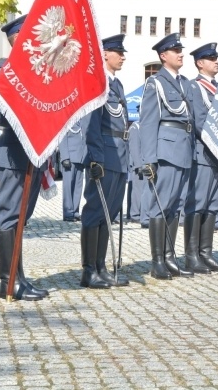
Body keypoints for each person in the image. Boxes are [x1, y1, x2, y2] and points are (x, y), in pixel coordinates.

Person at [0, 15, 48, 302]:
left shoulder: (39, 72)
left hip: (34, 155)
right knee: (9, 217)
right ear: (17, 40)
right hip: (14, 154)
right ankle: (8, 282)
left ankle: (19, 277)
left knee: (22, 218)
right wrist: (22, 116)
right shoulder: (6, 70)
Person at [139, 33, 195, 280]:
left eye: (181, 50)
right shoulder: (156, 83)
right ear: (164, 56)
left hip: (183, 149)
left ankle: (170, 257)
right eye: (176, 51)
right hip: (166, 150)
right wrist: (148, 159)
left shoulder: (184, 83)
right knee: (160, 205)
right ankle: (157, 261)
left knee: (175, 205)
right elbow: (148, 122)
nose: (181, 54)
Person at [81, 34, 131, 288]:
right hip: (104, 153)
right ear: (104, 55)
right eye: (117, 52)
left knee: (109, 213)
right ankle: (89, 271)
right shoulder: (96, 82)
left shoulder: (117, 85)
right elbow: (91, 124)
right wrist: (95, 158)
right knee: (94, 212)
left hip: (120, 154)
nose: (122, 56)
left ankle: (101, 267)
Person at [185, 42, 218, 273]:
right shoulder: (196, 87)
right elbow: (199, 120)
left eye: (216, 58)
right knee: (198, 203)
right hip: (204, 152)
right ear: (200, 63)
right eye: (211, 59)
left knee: (213, 205)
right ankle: (192, 255)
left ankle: (206, 252)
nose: (216, 62)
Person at [60, 119, 87, 222]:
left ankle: (75, 211)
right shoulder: (67, 119)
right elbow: (62, 138)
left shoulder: (82, 121)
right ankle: (68, 212)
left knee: (78, 187)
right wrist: (65, 157)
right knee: (68, 187)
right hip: (70, 158)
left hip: (80, 158)